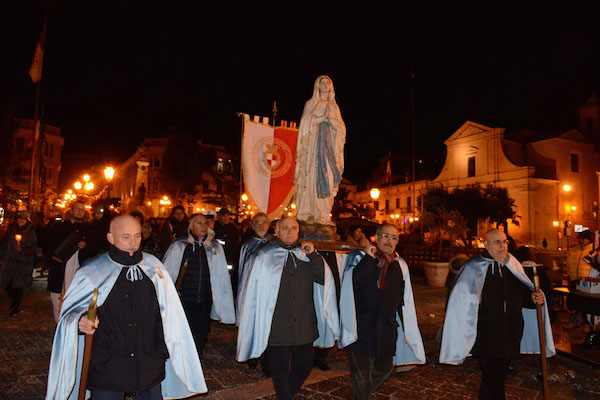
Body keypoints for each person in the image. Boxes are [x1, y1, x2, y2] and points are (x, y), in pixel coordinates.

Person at [46, 215, 206, 400]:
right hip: (108, 364)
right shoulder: (92, 271)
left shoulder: (154, 268)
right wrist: (79, 321)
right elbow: (70, 313)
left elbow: (168, 313)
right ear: (111, 238)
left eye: (137, 236)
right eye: (126, 236)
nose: (133, 242)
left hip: (148, 362)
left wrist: (161, 351)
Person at [440, 229, 555, 400]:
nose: (502, 246)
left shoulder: (513, 264)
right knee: (492, 377)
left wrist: (534, 298)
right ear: (486, 244)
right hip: (488, 333)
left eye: (505, 242)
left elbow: (523, 297)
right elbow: (459, 300)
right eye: (497, 242)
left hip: (511, 332)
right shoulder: (474, 267)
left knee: (497, 377)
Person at [237, 216, 339, 400]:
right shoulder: (264, 256)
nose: (290, 231)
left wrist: (313, 255)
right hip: (276, 324)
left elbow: (324, 279)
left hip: (303, 322)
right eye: (285, 228)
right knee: (280, 370)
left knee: (304, 366)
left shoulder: (307, 256)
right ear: (275, 232)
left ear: (299, 231)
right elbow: (253, 291)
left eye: (294, 228)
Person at [339, 224, 425, 399]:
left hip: (386, 328)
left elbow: (404, 299)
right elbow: (353, 283)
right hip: (361, 327)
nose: (390, 241)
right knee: (362, 377)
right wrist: (369, 259)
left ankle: (362, 393)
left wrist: (405, 328)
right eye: (386, 236)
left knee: (384, 369)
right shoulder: (361, 258)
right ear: (376, 238)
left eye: (394, 238)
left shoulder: (399, 265)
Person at [162, 213, 235, 360]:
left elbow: (220, 274)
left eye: (205, 224)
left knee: (201, 332)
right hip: (185, 297)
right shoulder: (180, 245)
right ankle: (184, 360)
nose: (204, 227)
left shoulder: (214, 246)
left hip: (205, 298)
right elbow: (168, 271)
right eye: (199, 223)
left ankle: (196, 360)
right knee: (184, 331)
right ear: (191, 225)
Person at [294, 75, 346, 225]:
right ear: (318, 86)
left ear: (331, 87)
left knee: (328, 179)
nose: (325, 85)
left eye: (328, 83)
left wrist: (331, 120)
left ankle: (323, 214)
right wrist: (320, 118)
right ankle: (308, 212)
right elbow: (304, 124)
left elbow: (342, 129)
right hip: (312, 150)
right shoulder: (311, 103)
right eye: (322, 82)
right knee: (311, 177)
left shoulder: (334, 107)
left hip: (328, 150)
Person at [44, 200, 87, 323]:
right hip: (60, 270)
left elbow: (93, 249)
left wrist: (85, 246)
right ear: (71, 211)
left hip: (78, 270)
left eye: (82, 210)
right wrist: (53, 257)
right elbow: (49, 245)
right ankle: (60, 325)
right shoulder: (60, 227)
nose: (79, 212)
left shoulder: (87, 229)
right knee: (58, 299)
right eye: (77, 209)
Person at [0, 210, 37, 316]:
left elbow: (33, 248)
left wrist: (22, 250)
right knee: (6, 284)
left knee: (18, 286)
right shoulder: (11, 228)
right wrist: (2, 256)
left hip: (22, 264)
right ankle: (14, 302)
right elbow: (5, 243)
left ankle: (15, 307)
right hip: (10, 261)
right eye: (19, 218)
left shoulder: (31, 231)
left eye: (23, 219)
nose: (21, 221)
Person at [566, 229, 597, 328]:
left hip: (587, 281)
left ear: (589, 240)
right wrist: (571, 276)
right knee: (573, 302)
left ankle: (587, 323)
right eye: (580, 238)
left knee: (586, 304)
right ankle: (574, 321)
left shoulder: (593, 250)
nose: (581, 241)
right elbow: (569, 264)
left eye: (583, 239)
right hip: (574, 280)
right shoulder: (574, 249)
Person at [213, 208, 241, 287]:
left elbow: (235, 242)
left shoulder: (232, 228)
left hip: (229, 256)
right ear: (219, 216)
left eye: (227, 216)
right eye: (223, 216)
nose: (225, 218)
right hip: (216, 255)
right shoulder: (215, 226)